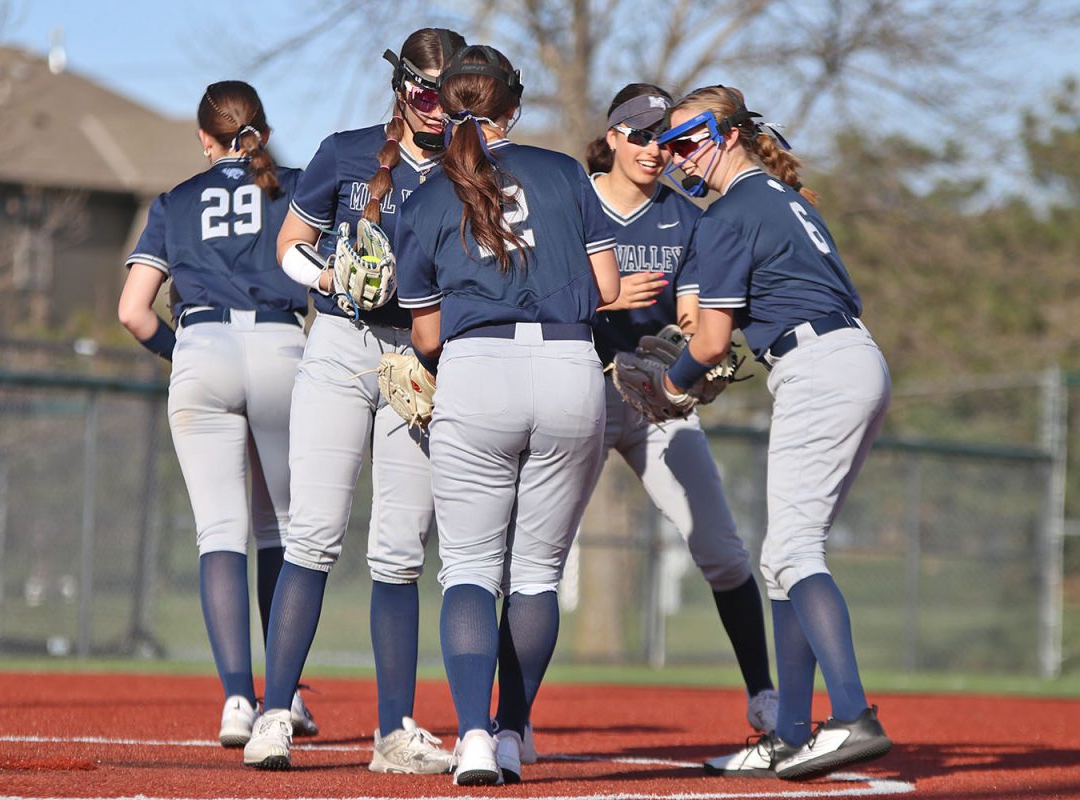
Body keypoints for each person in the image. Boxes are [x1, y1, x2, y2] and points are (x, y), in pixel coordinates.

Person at [394, 44, 620, 786]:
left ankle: (476, 740)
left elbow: (425, 334)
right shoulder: (563, 172)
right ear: (513, 108)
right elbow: (608, 285)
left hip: (477, 368)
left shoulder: (426, 195)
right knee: (536, 574)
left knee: (467, 568)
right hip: (568, 368)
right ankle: (517, 731)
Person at [241, 28, 466, 773]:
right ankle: (274, 714)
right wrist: (332, 277)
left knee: (400, 552)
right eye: (429, 93)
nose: (441, 110)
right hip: (340, 345)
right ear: (402, 88)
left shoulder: (476, 170)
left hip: (420, 356)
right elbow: (290, 247)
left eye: (457, 95)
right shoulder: (345, 151)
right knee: (314, 534)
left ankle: (393, 732)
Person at [654, 85, 893, 780]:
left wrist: (670, 388)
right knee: (785, 556)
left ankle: (851, 715)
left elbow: (711, 342)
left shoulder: (729, 211)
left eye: (686, 137)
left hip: (817, 366)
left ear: (729, 133)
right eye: (668, 145)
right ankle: (789, 732)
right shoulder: (782, 198)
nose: (674, 155)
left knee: (791, 551)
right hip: (848, 356)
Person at [118, 81, 317, 748]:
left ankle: (237, 698)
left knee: (220, 532)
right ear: (260, 127)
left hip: (202, 346)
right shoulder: (293, 184)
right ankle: (283, 699)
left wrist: (185, 356)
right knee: (285, 529)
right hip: (282, 346)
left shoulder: (175, 201)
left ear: (206, 138)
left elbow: (133, 311)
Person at [582, 83, 778, 731]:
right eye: (638, 135)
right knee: (533, 559)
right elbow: (529, 300)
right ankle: (508, 722)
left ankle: (763, 695)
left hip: (658, 397)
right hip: (579, 387)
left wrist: (701, 359)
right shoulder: (572, 203)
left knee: (722, 548)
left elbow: (694, 316)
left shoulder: (687, 214)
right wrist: (604, 302)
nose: (652, 150)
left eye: (664, 139)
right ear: (612, 136)